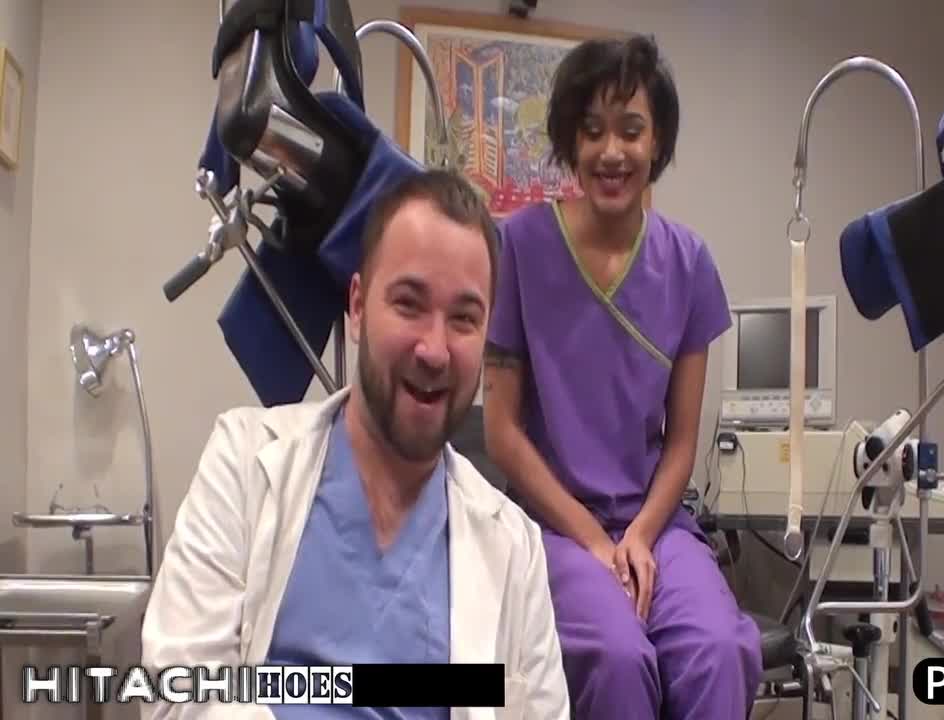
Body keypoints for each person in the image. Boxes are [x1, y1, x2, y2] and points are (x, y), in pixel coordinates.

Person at [141, 169, 571, 720]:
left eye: (464, 318)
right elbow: (176, 693)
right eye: (409, 303)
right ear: (359, 307)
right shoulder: (244, 463)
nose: (435, 350)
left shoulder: (513, 548)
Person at [483, 34, 763, 720]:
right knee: (615, 655)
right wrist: (592, 539)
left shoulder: (687, 262)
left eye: (631, 131)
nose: (612, 151)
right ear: (569, 141)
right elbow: (501, 432)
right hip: (554, 525)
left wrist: (638, 536)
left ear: (657, 141)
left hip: (655, 522)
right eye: (592, 131)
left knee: (719, 649)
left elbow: (681, 442)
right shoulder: (519, 247)